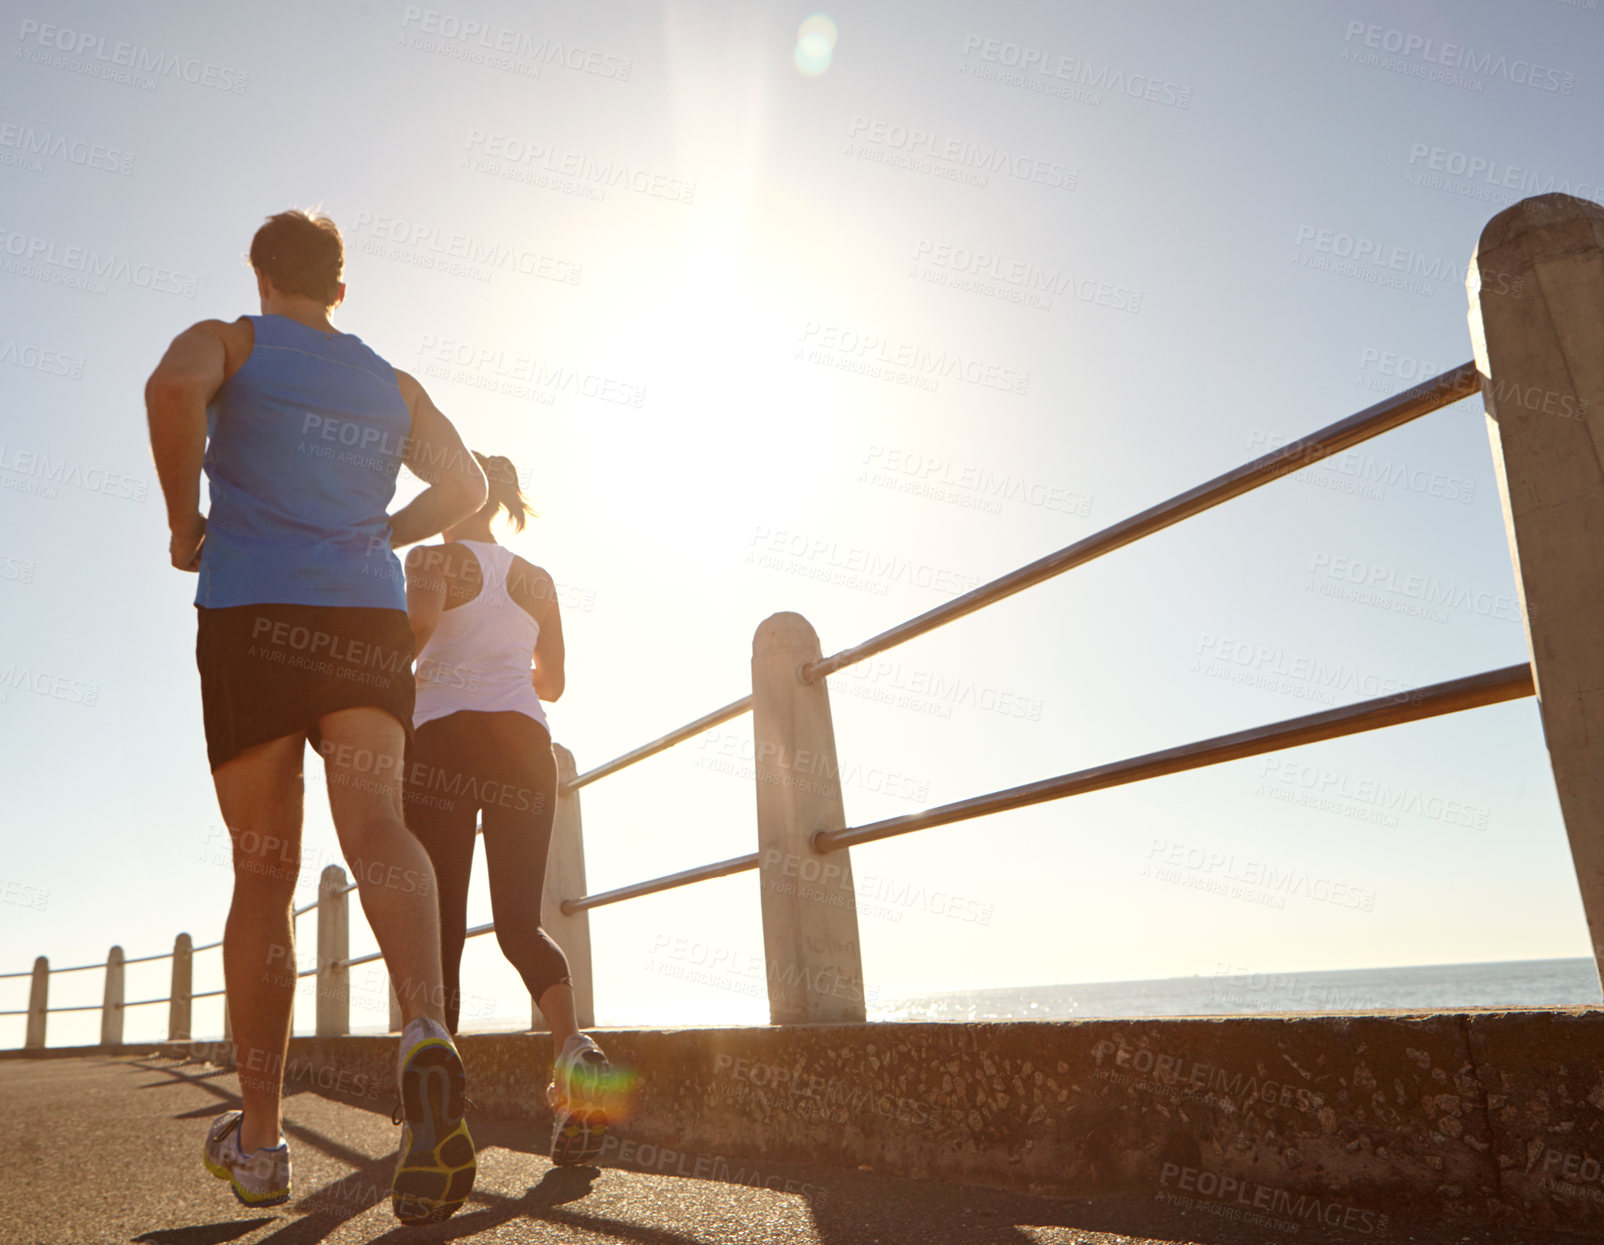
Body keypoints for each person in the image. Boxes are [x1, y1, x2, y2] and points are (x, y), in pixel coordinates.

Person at [145, 209, 486, 1223]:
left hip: (252, 609)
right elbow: (465, 485)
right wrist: (380, 529)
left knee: (265, 867)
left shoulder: (234, 341)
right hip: (365, 614)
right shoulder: (391, 383)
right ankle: (426, 1029)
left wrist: (183, 524)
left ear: (262, 275)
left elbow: (172, 387)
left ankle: (258, 1141)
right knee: (378, 824)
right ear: (342, 287)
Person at [402, 453, 612, 1166]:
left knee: (442, 927)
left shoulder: (430, 561)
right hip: (524, 740)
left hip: (444, 743)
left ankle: (439, 1119)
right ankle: (575, 1053)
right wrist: (501, 664)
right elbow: (552, 684)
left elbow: (415, 631)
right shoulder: (538, 578)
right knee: (521, 922)